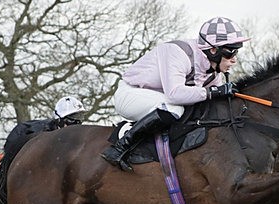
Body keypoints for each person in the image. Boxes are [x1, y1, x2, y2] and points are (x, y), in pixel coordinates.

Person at [101, 17, 250, 172]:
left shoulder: (213, 73)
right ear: (213, 50)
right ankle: (120, 147)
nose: (234, 60)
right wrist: (212, 92)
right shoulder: (179, 53)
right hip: (130, 95)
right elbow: (175, 94)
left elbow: (212, 101)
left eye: (236, 53)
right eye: (231, 53)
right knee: (175, 108)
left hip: (156, 98)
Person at [0, 96, 86, 204]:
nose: (77, 124)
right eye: (73, 120)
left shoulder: (73, 140)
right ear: (59, 120)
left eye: (80, 119)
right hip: (2, 171)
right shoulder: (36, 133)